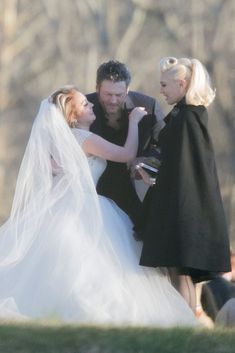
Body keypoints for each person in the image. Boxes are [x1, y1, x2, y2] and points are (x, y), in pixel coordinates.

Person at [0, 85, 197, 327]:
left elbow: (51, 167)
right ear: (73, 115)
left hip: (64, 204)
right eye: (84, 104)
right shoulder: (84, 138)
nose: (91, 105)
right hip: (82, 205)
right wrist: (134, 122)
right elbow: (125, 154)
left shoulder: (64, 141)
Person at [136, 57, 231, 313]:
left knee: (181, 272)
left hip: (183, 209)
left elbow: (186, 169)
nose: (161, 90)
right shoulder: (182, 114)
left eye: (165, 85)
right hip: (176, 203)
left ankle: (185, 322)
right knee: (175, 270)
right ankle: (182, 322)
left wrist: (156, 176)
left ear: (182, 83)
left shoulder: (188, 118)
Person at [86, 60, 165, 227]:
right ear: (97, 88)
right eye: (108, 94)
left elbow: (164, 144)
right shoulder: (84, 107)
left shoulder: (148, 106)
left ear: (127, 89)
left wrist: (145, 162)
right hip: (92, 192)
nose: (113, 100)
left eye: (119, 95)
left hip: (133, 189)